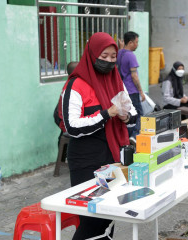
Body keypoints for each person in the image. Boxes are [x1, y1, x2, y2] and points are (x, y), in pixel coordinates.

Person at [58, 32, 138, 240]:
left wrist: (125, 116)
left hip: (112, 160)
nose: (109, 61)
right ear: (92, 54)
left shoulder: (115, 80)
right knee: (91, 218)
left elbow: (134, 115)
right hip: (86, 161)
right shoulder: (76, 85)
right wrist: (107, 114)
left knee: (108, 216)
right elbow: (71, 126)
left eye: (113, 57)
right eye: (104, 56)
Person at [117, 31, 145, 142]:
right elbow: (134, 76)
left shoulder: (119, 53)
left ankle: (125, 138)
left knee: (127, 115)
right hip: (132, 90)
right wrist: (141, 92)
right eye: (136, 42)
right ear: (130, 42)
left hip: (122, 90)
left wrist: (121, 47)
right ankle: (134, 136)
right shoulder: (131, 56)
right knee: (140, 115)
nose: (137, 45)